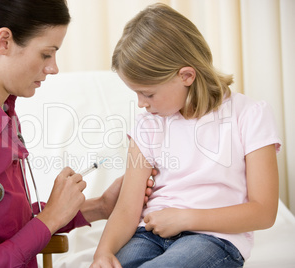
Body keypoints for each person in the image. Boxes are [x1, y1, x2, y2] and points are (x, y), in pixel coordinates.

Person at [0, 0, 156, 267]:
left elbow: (6, 229)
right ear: (4, 41)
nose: (53, 67)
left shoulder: (1, 112)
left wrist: (99, 206)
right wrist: (51, 217)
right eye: (46, 53)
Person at [91, 3, 281, 268]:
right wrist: (103, 253)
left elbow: (264, 212)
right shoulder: (148, 124)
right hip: (148, 235)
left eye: (148, 93)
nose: (141, 103)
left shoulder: (248, 115)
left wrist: (185, 219)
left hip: (215, 239)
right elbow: (126, 208)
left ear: (186, 76)